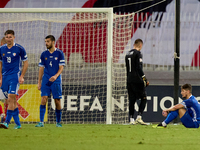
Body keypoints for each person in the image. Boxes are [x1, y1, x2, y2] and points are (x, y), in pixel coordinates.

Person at [0, 30, 28, 129]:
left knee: (11, 97)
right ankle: (18, 124)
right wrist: (0, 77)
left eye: (10, 37)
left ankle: (6, 122)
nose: (8, 39)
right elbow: (0, 63)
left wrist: (22, 76)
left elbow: (26, 62)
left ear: (14, 37)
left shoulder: (19, 48)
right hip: (5, 77)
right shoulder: (1, 49)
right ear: (5, 38)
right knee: (12, 101)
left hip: (15, 76)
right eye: (7, 37)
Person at [35, 35, 65, 128]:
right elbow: (41, 68)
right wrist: (39, 81)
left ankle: (58, 122)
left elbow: (61, 67)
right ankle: (41, 122)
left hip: (56, 80)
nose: (46, 43)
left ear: (53, 42)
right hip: (46, 80)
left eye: (48, 41)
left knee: (57, 101)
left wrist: (56, 76)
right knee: (43, 99)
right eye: (45, 41)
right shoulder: (44, 54)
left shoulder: (59, 53)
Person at [125, 39, 149, 125]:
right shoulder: (138, 53)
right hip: (137, 80)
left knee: (132, 99)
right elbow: (139, 68)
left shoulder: (127, 54)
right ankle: (139, 117)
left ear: (134, 45)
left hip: (129, 80)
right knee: (144, 98)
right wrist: (144, 79)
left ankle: (131, 119)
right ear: (140, 45)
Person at [0, 37, 7, 123]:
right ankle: (3, 115)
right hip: (6, 78)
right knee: (8, 99)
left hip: (4, 78)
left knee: (8, 99)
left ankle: (3, 115)